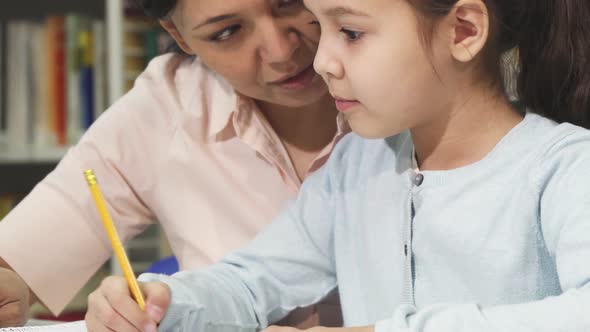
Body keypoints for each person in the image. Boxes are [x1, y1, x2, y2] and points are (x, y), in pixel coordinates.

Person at [85, 0, 590, 331]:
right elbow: (249, 282)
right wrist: (160, 303)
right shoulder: (357, 166)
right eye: (319, 26)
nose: (322, 60)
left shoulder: (563, 168)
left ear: (463, 30)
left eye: (349, 32)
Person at [0, 0, 347, 327]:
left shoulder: (393, 110)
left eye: (289, 1)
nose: (281, 50)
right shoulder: (165, 109)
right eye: (227, 32)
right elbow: (19, 258)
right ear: (178, 35)